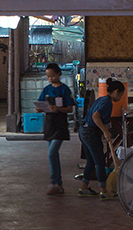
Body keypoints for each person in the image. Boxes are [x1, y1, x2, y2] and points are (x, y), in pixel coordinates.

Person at [78, 79, 125, 198]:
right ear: (116, 91)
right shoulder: (107, 103)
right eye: (121, 94)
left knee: (91, 161)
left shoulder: (102, 99)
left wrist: (106, 130)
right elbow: (95, 116)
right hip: (90, 133)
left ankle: (83, 188)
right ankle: (104, 191)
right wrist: (105, 131)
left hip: (83, 131)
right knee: (99, 162)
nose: (120, 97)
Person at [36, 63, 75, 195]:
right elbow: (40, 103)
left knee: (52, 153)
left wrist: (57, 109)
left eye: (52, 75)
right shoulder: (46, 90)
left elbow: (70, 108)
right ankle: (59, 185)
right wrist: (39, 109)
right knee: (53, 155)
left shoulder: (65, 90)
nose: (50, 78)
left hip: (60, 125)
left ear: (59, 74)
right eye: (48, 76)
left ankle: (54, 181)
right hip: (49, 124)